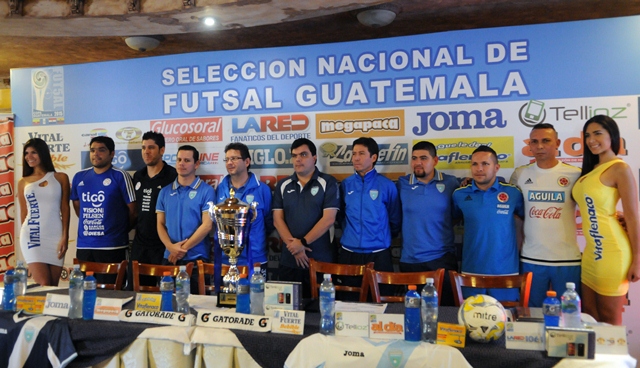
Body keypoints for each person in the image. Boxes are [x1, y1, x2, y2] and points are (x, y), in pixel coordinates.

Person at [572, 115, 639, 325]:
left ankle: (615, 359)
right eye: (588, 135)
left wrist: (638, 258)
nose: (591, 140)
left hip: (613, 252)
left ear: (612, 135)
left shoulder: (620, 168)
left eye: (598, 133)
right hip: (592, 254)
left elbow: (633, 215)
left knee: (610, 321)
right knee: (590, 318)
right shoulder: (590, 171)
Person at [509, 123, 582, 307]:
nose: (539, 146)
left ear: (557, 143)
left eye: (546, 141)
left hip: (567, 260)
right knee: (532, 314)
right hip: (531, 258)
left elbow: (593, 207)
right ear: (530, 145)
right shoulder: (520, 174)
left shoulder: (575, 174)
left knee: (569, 316)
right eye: (535, 141)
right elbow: (514, 214)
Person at [452, 145, 524, 301]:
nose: (479, 168)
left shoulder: (513, 193)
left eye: (485, 164)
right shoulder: (459, 194)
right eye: (474, 164)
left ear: (496, 167)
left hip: (506, 272)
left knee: (507, 321)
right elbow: (453, 220)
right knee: (471, 321)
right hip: (471, 272)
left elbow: (526, 221)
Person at [273, 138, 340, 298]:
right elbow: (277, 220)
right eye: (294, 155)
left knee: (320, 312)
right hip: (289, 260)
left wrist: (302, 243)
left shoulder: (328, 182)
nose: (298, 159)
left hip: (320, 260)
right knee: (288, 314)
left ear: (314, 157)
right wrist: (295, 248)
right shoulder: (283, 184)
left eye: (303, 154)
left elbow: (329, 219)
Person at [397, 141, 459, 306]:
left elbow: (459, 213)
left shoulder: (451, 183)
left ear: (435, 160)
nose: (418, 162)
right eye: (414, 158)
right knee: (413, 312)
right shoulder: (401, 184)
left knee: (446, 313)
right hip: (410, 261)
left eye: (423, 158)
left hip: (442, 259)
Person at [70, 136, 136, 283]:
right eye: (93, 150)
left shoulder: (121, 176)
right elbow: (77, 205)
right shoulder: (79, 177)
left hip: (112, 246)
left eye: (101, 150)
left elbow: (133, 211)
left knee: (111, 294)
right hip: (84, 246)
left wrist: (120, 229)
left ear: (112, 154)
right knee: (83, 292)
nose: (96, 154)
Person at [157, 145, 214, 294]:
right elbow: (160, 225)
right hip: (169, 257)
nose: (181, 163)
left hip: (196, 258)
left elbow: (207, 225)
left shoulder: (207, 191)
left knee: (197, 306)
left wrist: (181, 249)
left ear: (196, 164)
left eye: (187, 160)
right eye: (179, 159)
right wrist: (170, 247)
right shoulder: (165, 192)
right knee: (167, 305)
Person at [339, 137, 401, 273]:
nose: (356, 158)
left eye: (361, 154)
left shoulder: (387, 185)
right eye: (354, 154)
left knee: (379, 294)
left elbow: (394, 220)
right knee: (349, 294)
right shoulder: (345, 184)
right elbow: (340, 217)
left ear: (373, 157)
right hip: (349, 253)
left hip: (378, 254)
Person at [17, 138, 70, 286]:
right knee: (44, 284)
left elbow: (65, 209)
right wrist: (26, 240)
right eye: (26, 153)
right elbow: (24, 212)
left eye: (34, 152)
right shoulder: (23, 182)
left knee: (52, 287)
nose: (29, 156)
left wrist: (65, 236)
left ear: (43, 153)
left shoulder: (60, 178)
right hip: (32, 236)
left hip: (55, 236)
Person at [214, 142, 273, 275]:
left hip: (255, 257)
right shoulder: (220, 189)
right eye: (227, 159)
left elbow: (269, 222)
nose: (229, 162)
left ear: (247, 162)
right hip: (225, 258)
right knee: (226, 296)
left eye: (234, 158)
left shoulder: (262, 190)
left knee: (256, 295)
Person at [130, 131, 177, 289]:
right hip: (140, 244)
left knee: (167, 293)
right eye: (143, 148)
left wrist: (171, 245)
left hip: (164, 245)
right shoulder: (138, 176)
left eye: (151, 147)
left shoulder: (173, 176)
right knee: (137, 293)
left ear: (162, 150)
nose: (146, 152)